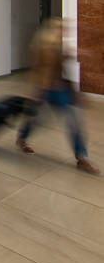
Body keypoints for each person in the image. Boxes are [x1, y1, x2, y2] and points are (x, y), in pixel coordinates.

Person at [16, 17, 99, 174]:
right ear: (52, 30)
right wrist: (34, 91)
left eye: (64, 29)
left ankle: (82, 158)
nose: (63, 31)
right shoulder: (41, 46)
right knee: (36, 120)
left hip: (62, 90)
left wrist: (75, 53)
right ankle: (22, 138)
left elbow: (60, 61)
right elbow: (36, 69)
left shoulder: (60, 45)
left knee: (74, 122)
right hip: (45, 90)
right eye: (60, 29)